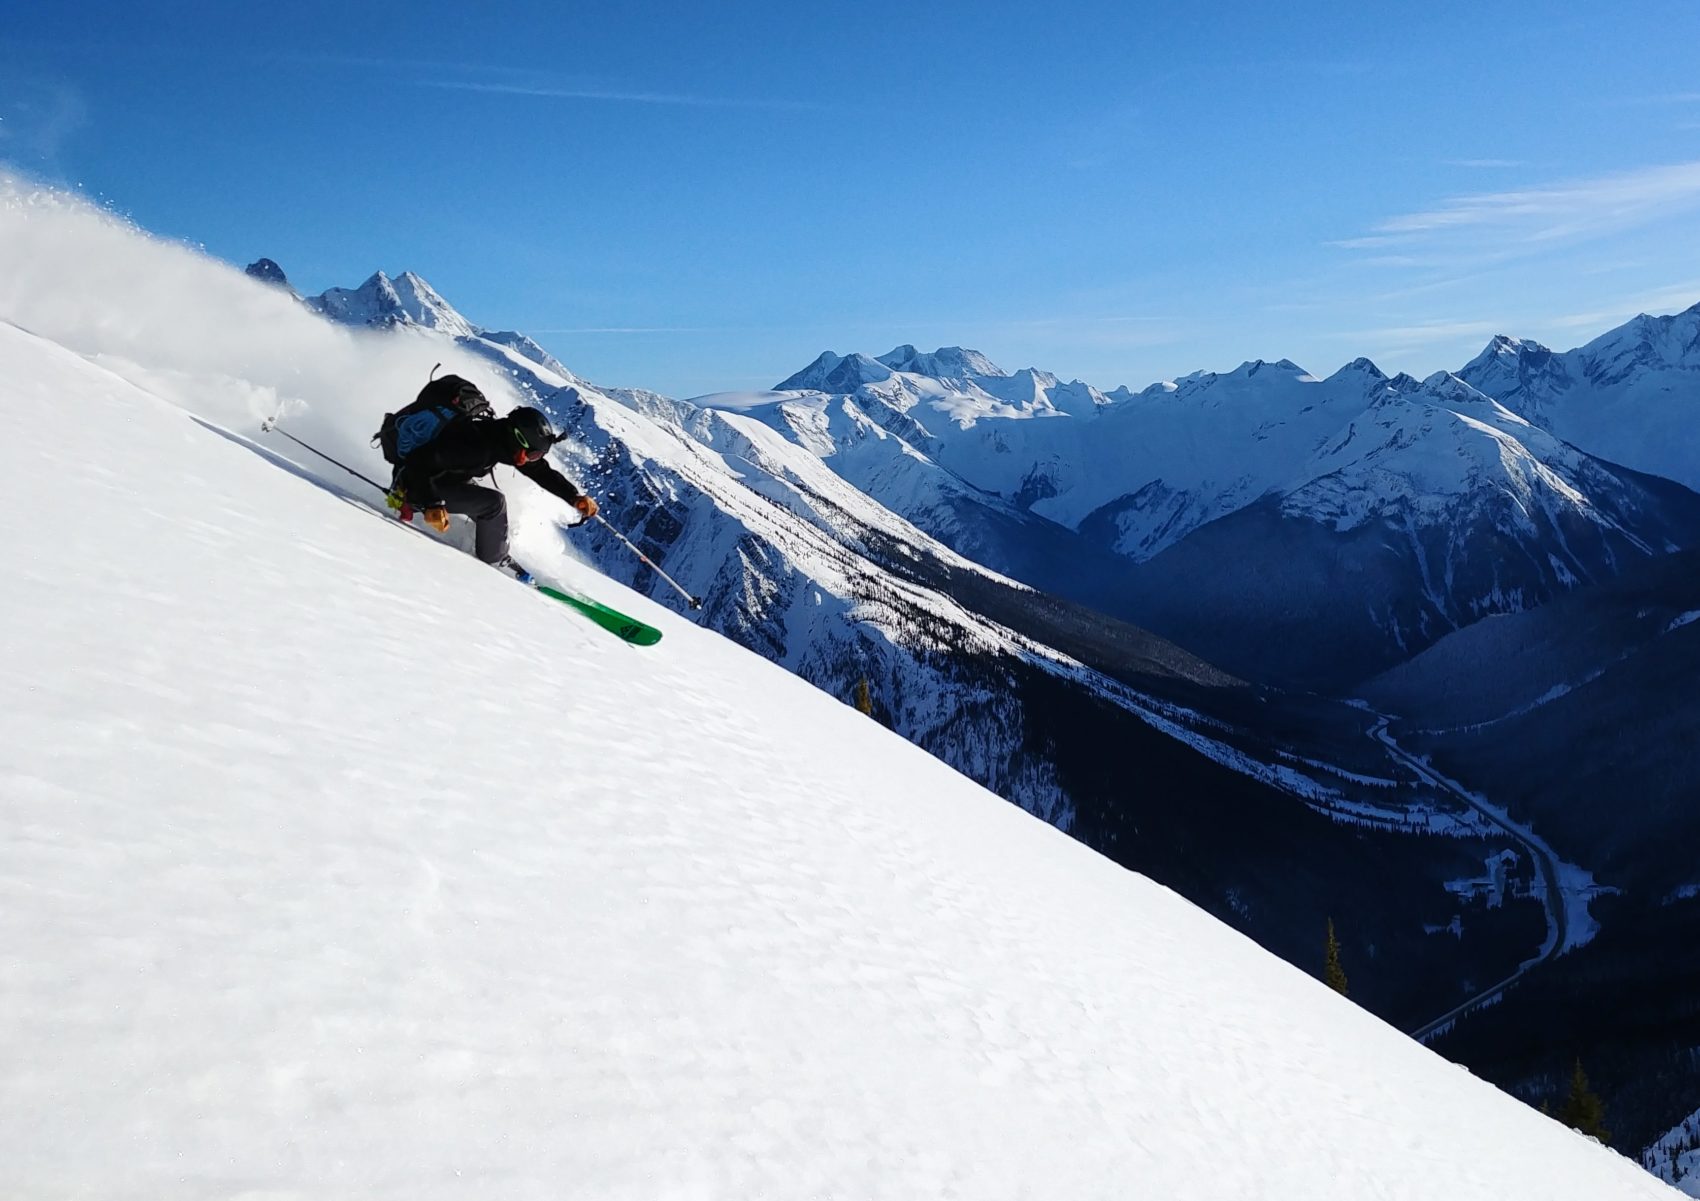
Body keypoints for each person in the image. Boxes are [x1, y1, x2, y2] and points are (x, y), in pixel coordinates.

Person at [395, 402, 598, 572]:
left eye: (535, 456)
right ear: (517, 437)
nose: (528, 460)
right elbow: (417, 461)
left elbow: (541, 472)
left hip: (440, 479)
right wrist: (432, 503)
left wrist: (574, 497)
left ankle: (493, 549)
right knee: (494, 504)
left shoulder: (502, 441)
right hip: (413, 484)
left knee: (486, 506)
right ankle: (494, 561)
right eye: (531, 454)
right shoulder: (477, 446)